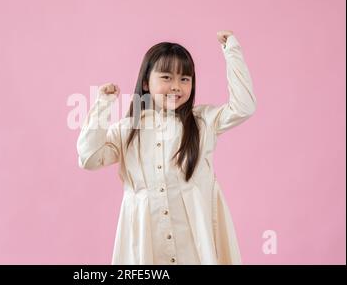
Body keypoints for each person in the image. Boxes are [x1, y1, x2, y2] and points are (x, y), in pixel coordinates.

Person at [76, 30, 257, 264]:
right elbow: (88, 158)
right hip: (146, 246)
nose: (176, 87)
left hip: (194, 246)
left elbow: (244, 107)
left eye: (185, 79)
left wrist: (232, 53)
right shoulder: (128, 130)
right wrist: (102, 106)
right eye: (166, 77)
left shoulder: (203, 122)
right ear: (146, 83)